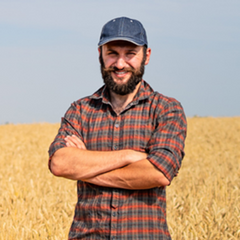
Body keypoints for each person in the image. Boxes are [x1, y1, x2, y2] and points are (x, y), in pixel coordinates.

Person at [48, 16, 187, 240]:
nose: (120, 64)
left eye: (130, 54)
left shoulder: (166, 110)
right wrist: (129, 156)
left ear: (147, 56)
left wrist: (85, 168)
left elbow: (158, 173)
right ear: (100, 55)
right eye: (112, 53)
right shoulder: (81, 110)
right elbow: (60, 163)